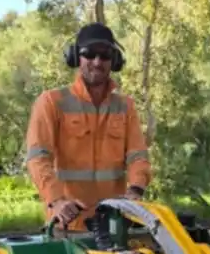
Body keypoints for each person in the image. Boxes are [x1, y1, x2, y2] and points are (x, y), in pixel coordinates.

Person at [25, 20, 150, 229]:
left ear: (115, 60)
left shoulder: (125, 106)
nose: (97, 61)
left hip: (114, 225)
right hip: (67, 224)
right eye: (89, 53)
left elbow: (138, 156)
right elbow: (38, 158)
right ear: (75, 57)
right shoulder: (51, 102)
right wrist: (56, 201)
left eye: (105, 55)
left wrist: (135, 191)